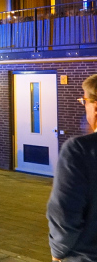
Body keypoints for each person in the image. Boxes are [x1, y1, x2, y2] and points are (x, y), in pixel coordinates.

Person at [47, 74, 97, 262]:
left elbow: (65, 212)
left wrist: (58, 251)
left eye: (84, 100)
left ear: (95, 106)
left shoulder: (80, 150)